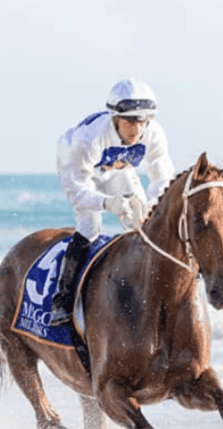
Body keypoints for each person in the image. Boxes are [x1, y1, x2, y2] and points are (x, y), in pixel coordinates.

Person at [50, 77, 176, 325]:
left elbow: (163, 179)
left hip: (116, 169)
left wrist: (152, 206)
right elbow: (79, 191)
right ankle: (62, 301)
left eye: (143, 121)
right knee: (90, 227)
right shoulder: (88, 139)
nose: (137, 130)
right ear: (115, 117)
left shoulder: (154, 133)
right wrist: (110, 203)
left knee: (142, 223)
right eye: (130, 121)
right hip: (76, 169)